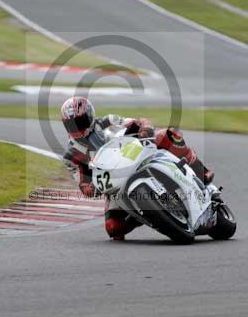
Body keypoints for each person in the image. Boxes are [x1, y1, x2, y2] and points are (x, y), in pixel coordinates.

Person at [61, 96, 215, 241]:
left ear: (89, 116)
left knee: (166, 135)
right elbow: (82, 183)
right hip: (115, 185)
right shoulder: (71, 156)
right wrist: (90, 188)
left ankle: (201, 172)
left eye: (80, 121)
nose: (76, 127)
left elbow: (137, 122)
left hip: (136, 154)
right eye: (71, 123)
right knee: (113, 228)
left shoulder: (108, 121)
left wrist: (145, 128)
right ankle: (143, 215)